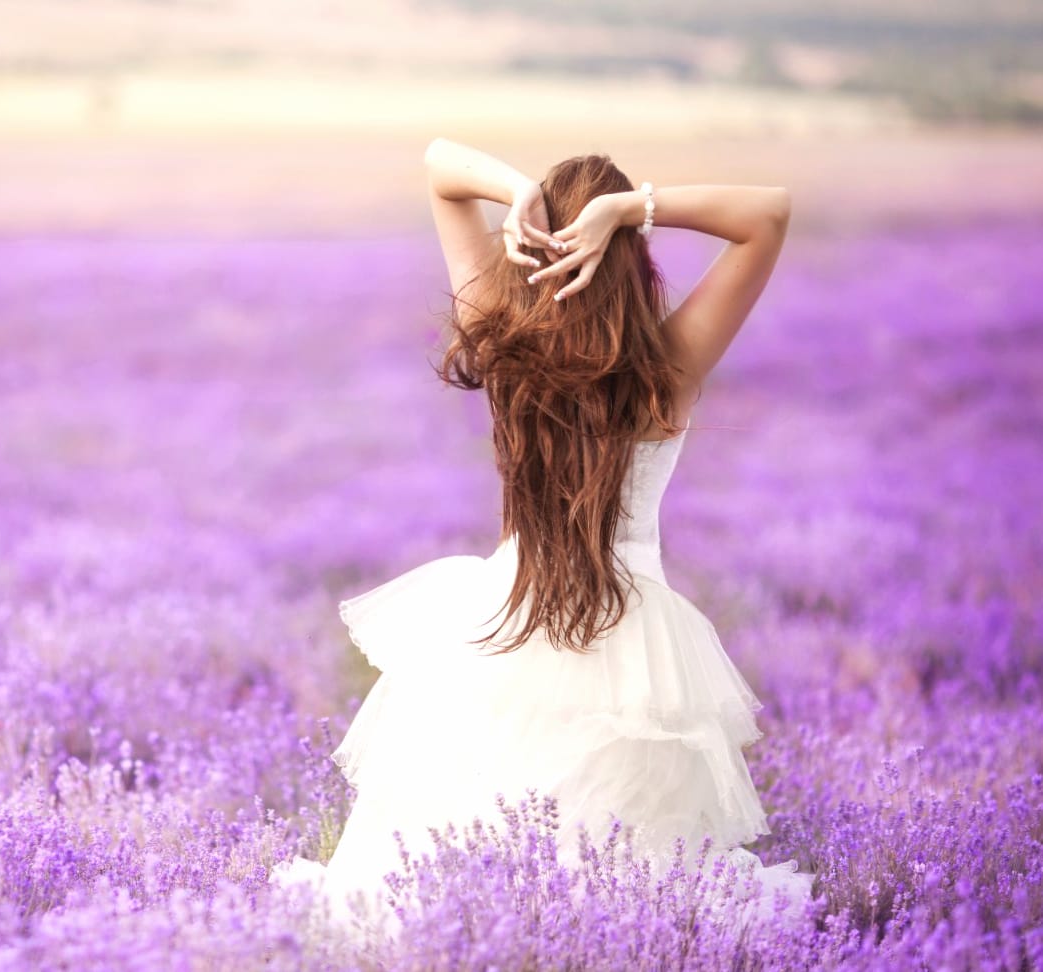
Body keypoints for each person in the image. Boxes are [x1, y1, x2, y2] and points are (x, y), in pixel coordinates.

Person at [271, 138, 816, 938]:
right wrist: (633, 209)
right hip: (633, 646)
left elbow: (440, 168)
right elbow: (767, 213)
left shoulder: (503, 335)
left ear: (533, 244)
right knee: (629, 895)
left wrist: (518, 191)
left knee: (430, 874)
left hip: (500, 622)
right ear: (630, 259)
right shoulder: (667, 368)